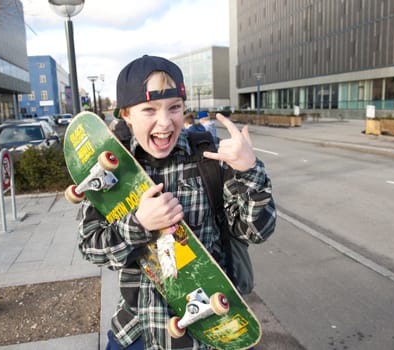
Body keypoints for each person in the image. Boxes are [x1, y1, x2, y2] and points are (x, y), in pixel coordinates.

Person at [77, 55, 276, 349]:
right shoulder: (111, 169)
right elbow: (91, 247)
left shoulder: (208, 161)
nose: (165, 122)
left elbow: (255, 231)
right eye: (149, 110)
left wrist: (249, 172)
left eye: (175, 108)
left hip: (206, 334)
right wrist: (139, 224)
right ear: (127, 115)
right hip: (137, 332)